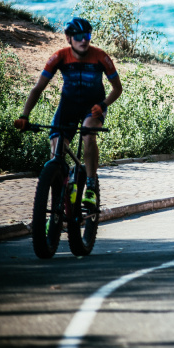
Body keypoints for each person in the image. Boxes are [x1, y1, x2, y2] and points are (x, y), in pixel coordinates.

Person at [14, 18, 123, 207]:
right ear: (68, 38)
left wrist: (103, 105)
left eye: (87, 36)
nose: (84, 40)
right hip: (68, 107)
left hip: (93, 107)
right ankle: (59, 198)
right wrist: (24, 115)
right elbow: (37, 88)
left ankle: (90, 187)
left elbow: (117, 89)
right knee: (56, 148)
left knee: (89, 133)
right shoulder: (60, 57)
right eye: (78, 36)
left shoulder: (100, 57)